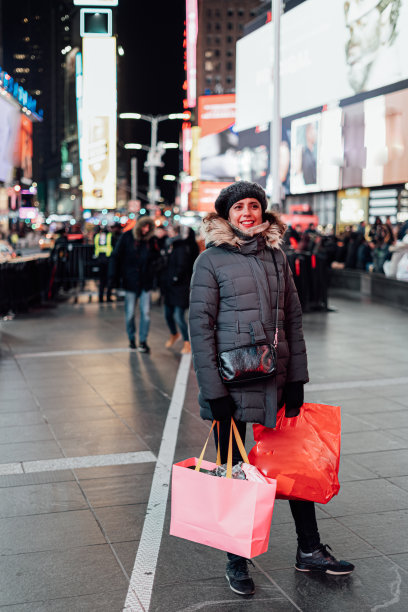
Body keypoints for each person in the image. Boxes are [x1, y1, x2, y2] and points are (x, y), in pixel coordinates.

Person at [189, 181, 354, 597]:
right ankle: (236, 560)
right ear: (226, 215)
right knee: (233, 476)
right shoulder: (210, 262)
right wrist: (214, 394)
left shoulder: (277, 257)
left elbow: (293, 321)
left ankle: (310, 550)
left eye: (254, 205)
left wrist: (297, 378)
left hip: (277, 383)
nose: (248, 212)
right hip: (231, 386)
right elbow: (201, 330)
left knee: (296, 467)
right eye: (239, 207)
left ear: (263, 211)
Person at [110, 216, 159, 352]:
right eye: (144, 226)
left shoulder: (151, 240)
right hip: (130, 280)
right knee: (130, 313)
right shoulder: (127, 237)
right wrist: (113, 277)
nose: (146, 230)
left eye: (149, 227)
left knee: (146, 313)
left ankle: (143, 341)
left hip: (145, 282)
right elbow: (116, 256)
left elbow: (156, 257)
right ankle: (131, 337)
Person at [163, 224, 198, 354]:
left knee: (178, 316)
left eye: (172, 231)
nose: (169, 234)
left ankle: (187, 342)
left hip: (180, 287)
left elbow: (182, 266)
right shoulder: (172, 246)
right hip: (170, 286)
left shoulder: (183, 247)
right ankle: (174, 334)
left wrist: (175, 278)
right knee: (167, 314)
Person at [94, 226, 114, 302]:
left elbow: (96, 247)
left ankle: (101, 297)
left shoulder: (97, 236)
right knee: (109, 279)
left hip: (100, 259)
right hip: (108, 260)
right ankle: (108, 297)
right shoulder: (110, 236)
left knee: (102, 280)